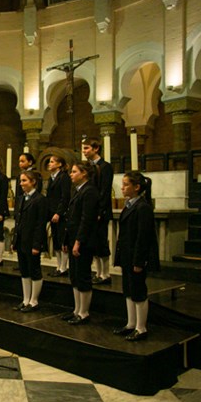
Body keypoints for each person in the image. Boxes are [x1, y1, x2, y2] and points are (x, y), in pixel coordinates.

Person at [113, 171, 160, 341]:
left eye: (126, 184)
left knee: (138, 290)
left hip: (136, 256)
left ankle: (141, 327)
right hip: (127, 255)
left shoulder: (143, 207)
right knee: (128, 290)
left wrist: (139, 260)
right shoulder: (129, 205)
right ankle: (130, 323)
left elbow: (143, 236)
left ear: (137, 187)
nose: (122, 187)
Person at [62, 161, 99, 325]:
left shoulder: (90, 191)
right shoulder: (78, 190)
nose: (71, 174)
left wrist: (78, 242)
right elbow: (70, 218)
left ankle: (84, 312)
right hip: (73, 238)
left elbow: (86, 220)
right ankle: (76, 310)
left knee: (83, 276)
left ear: (84, 174)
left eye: (74, 171)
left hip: (83, 241)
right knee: (74, 276)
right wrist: (66, 240)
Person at [11, 170, 48, 312]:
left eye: (24, 181)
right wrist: (15, 241)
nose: (21, 184)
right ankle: (25, 299)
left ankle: (34, 300)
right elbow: (18, 221)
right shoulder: (21, 198)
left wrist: (36, 244)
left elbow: (40, 224)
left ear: (33, 182)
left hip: (32, 240)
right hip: (21, 240)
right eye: (20, 181)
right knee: (24, 270)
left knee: (34, 270)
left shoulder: (40, 199)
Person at [82, 137, 113, 284]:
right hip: (91, 210)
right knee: (93, 243)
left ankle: (105, 274)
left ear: (96, 149)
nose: (84, 151)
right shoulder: (88, 167)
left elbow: (104, 191)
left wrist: (100, 211)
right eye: (83, 148)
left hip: (101, 211)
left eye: (87, 148)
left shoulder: (105, 166)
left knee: (101, 242)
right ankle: (98, 272)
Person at [46, 154, 72, 277]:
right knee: (55, 240)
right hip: (52, 212)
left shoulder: (64, 177)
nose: (49, 164)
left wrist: (58, 213)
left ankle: (64, 267)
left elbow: (64, 197)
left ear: (59, 164)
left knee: (62, 241)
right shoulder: (52, 178)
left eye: (52, 161)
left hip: (60, 214)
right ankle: (58, 265)